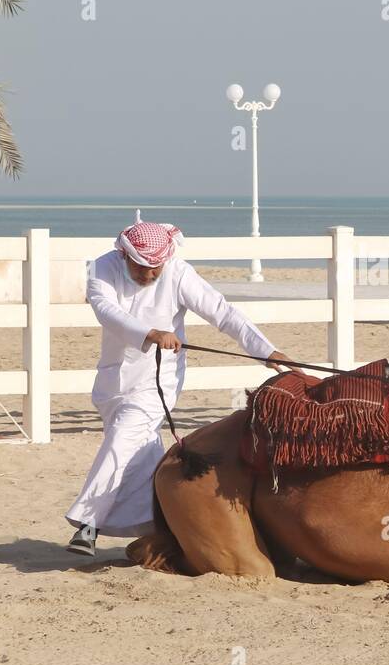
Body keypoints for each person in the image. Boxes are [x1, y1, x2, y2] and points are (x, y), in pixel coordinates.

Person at [65, 214, 291, 555]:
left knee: (122, 441)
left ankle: (88, 524)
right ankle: (163, 523)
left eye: (156, 268)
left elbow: (223, 313)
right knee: (140, 452)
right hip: (113, 379)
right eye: (142, 267)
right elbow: (107, 311)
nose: (150, 275)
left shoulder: (178, 272)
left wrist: (264, 350)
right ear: (125, 254)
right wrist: (150, 333)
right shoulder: (101, 268)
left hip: (159, 379)